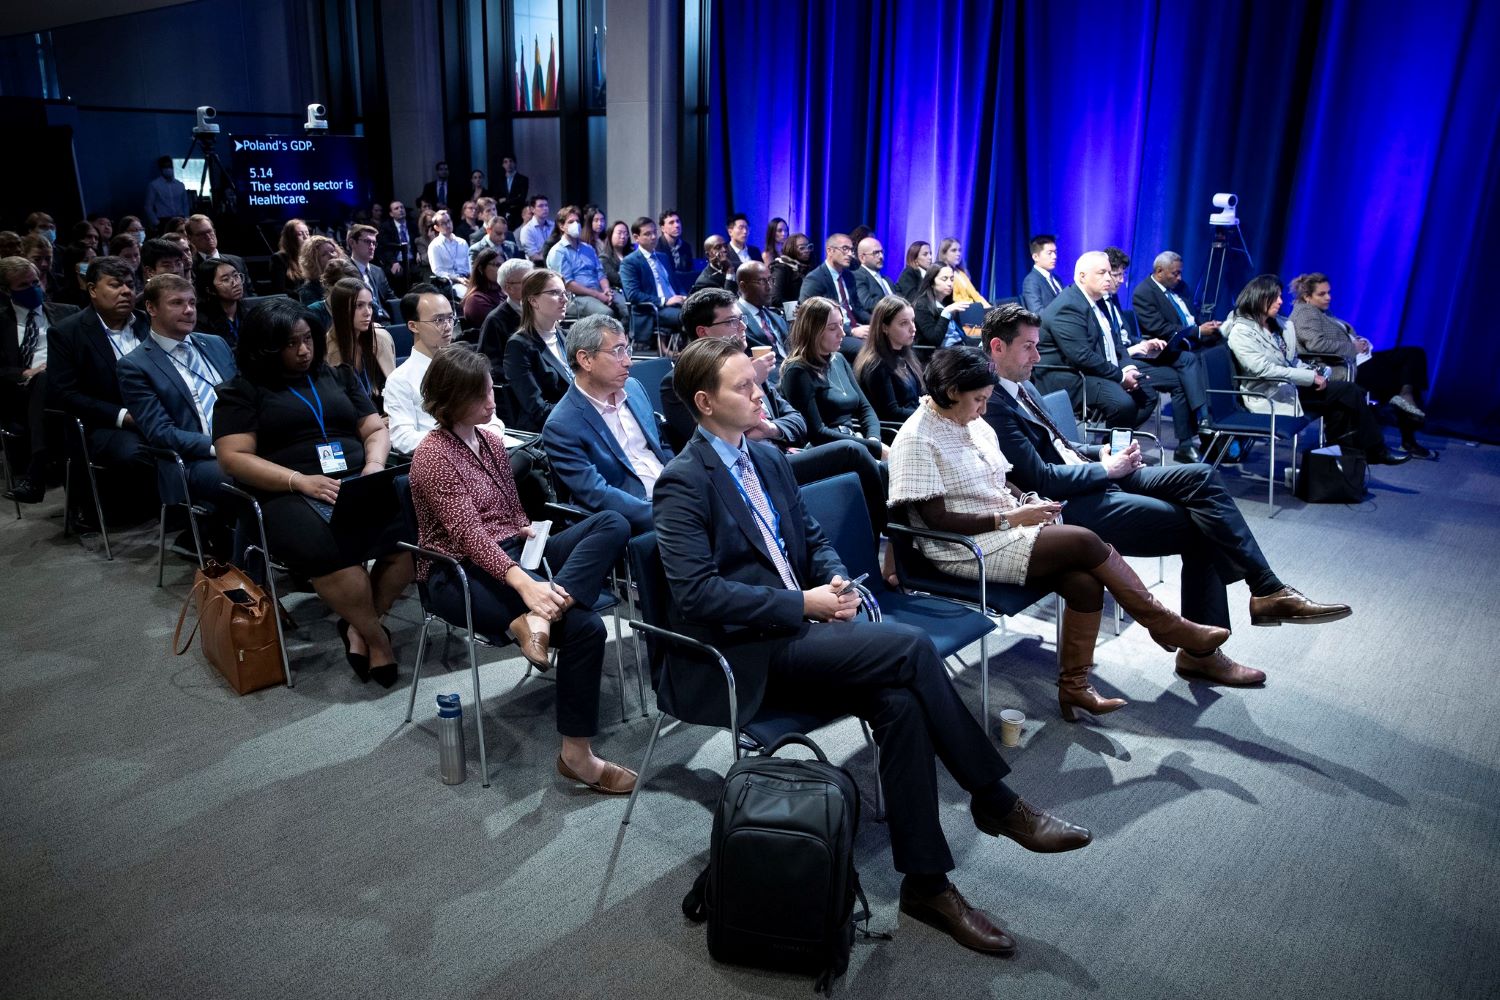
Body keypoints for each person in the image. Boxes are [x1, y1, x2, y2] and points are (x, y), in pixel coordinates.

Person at [655, 335, 1092, 956]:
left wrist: (832, 577)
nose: (759, 394)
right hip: (749, 652)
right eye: (743, 387)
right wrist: (802, 604)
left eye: (757, 382)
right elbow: (697, 596)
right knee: (912, 649)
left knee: (901, 704)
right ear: (704, 402)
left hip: (809, 629)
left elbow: (812, 538)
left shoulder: (769, 459)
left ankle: (926, 884)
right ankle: (996, 801)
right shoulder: (682, 482)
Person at [980, 303, 1352, 687]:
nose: (1038, 356)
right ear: (997, 347)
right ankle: (1208, 648)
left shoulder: (1021, 385)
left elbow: (1061, 443)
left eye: (1037, 345)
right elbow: (1040, 478)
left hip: (1093, 476)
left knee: (1202, 477)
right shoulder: (991, 403)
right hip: (1070, 505)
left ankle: (1266, 589)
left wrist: (1103, 453)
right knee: (1203, 527)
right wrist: (1105, 469)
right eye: (1028, 347)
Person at [890, 346, 1232, 721]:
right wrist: (1014, 518)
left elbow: (1001, 479)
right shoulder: (918, 438)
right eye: (979, 400)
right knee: (1083, 539)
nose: (984, 409)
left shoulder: (971, 421)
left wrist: (1030, 502)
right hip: (961, 546)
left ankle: (1075, 688)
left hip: (1003, 524)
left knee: (1083, 582)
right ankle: (1165, 624)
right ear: (953, 392)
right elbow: (936, 520)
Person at [411, 345, 632, 791]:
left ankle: (541, 615)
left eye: (490, 388)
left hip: (513, 552)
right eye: (479, 396)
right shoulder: (431, 457)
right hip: (456, 571)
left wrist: (526, 530)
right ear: (450, 400)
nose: (492, 401)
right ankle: (578, 755)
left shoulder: (490, 439)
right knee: (587, 629)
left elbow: (510, 513)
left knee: (613, 522)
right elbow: (469, 536)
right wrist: (525, 584)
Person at [215, 297, 413, 686]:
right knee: (331, 550)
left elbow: (375, 430)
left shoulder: (337, 375)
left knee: (412, 537)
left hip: (356, 478)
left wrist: (373, 467)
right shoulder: (242, 391)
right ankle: (377, 639)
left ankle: (358, 627)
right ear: (265, 348)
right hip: (286, 489)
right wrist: (298, 480)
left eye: (307, 339)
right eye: (291, 344)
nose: (303, 350)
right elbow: (233, 457)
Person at [1224, 274, 1409, 465]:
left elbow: (1292, 360)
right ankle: (1374, 451)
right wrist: (1309, 377)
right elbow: (1263, 370)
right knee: (1350, 392)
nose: (1280, 301)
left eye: (1280, 296)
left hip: (1291, 387)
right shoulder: (1241, 332)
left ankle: (1339, 466)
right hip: (1270, 395)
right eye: (1275, 297)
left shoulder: (1279, 325)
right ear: (1259, 298)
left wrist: (1318, 371)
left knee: (1342, 404)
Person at [116, 273, 237, 535]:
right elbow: (161, 433)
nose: (189, 310)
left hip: (243, 443)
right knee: (251, 479)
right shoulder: (134, 365)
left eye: (192, 302)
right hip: (194, 459)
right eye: (177, 303)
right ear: (151, 308)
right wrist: (221, 447)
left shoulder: (215, 344)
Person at [542, 315, 672, 534]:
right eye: (617, 351)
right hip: (639, 515)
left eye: (627, 350)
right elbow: (596, 493)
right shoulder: (561, 425)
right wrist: (663, 516)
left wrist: (686, 483)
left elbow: (660, 445)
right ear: (586, 360)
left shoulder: (634, 388)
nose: (628, 361)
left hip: (674, 494)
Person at [1290, 272, 1432, 458]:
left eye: (1329, 292)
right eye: (1322, 294)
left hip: (1357, 360)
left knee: (1413, 358)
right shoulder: (1305, 312)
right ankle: (1406, 434)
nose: (1328, 297)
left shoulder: (1322, 312)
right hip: (1343, 367)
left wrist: (1358, 341)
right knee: (1405, 370)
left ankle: (1405, 398)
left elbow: (1335, 336)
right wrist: (1352, 347)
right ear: (1307, 297)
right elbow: (1315, 345)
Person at [1098, 247, 1209, 462]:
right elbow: (1103, 346)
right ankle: (1112, 440)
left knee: (1181, 377)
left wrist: (1144, 343)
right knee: (1183, 365)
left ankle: (1186, 443)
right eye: (1116, 275)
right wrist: (1131, 350)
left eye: (1122, 274)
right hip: (1118, 361)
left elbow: (1124, 335)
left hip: (1131, 354)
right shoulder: (1094, 302)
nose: (1121, 281)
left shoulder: (1113, 299)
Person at [44, 257, 151, 472]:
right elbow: (65, 394)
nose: (126, 291)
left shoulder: (149, 322)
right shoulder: (67, 333)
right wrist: (124, 416)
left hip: (159, 414)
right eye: (115, 285)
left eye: (130, 285)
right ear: (92, 290)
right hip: (107, 424)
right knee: (140, 454)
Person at [1036, 251, 1157, 429]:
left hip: (1093, 370)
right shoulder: (1068, 306)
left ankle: (1113, 443)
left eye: (1109, 272)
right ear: (1082, 276)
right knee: (1123, 403)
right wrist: (1122, 377)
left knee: (1148, 395)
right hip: (1070, 377)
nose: (1109, 278)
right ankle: (1113, 451)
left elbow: (1116, 342)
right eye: (1102, 273)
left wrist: (1128, 367)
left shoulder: (1098, 301)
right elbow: (1081, 356)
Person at [386, 285, 503, 455]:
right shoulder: (400, 379)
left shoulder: (465, 365)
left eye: (450, 318)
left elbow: (493, 420)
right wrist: (461, 441)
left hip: (485, 449)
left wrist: (483, 440)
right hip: (441, 458)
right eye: (438, 320)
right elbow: (403, 439)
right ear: (413, 326)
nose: (448, 327)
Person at [0, 256, 79, 503]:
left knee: (47, 378)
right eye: (24, 286)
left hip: (65, 387)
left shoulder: (69, 313)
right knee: (42, 379)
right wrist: (24, 373)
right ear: (6, 290)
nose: (34, 289)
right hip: (19, 394)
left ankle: (37, 473)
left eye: (36, 282)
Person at [778, 296, 885, 460]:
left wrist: (873, 439)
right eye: (833, 328)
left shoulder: (838, 359)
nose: (842, 333)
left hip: (855, 443)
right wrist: (870, 447)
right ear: (813, 331)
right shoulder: (797, 372)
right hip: (827, 451)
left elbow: (865, 409)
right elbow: (817, 433)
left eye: (841, 324)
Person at [502, 268, 574, 431]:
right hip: (548, 429)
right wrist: (583, 412)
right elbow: (537, 410)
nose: (564, 300)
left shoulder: (567, 337)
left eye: (565, 293)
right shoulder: (518, 346)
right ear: (533, 301)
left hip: (576, 420)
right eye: (555, 293)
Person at [324, 277, 396, 412]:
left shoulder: (381, 338)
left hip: (387, 417)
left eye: (370, 305)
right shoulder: (326, 348)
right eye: (359, 305)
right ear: (341, 309)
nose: (368, 312)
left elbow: (396, 391)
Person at [546, 205, 627, 323]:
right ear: (562, 226)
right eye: (571, 222)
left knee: (628, 308)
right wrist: (597, 295)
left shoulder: (588, 249)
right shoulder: (558, 252)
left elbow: (600, 273)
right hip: (575, 297)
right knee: (607, 313)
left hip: (598, 290)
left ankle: (627, 340)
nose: (576, 225)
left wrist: (606, 290)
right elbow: (568, 284)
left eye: (577, 221)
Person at [854, 295, 924, 422]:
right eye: (904, 323)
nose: (913, 328)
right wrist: (929, 415)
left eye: (912, 321)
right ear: (884, 327)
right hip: (896, 431)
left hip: (914, 422)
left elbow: (917, 398)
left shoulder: (906, 355)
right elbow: (890, 413)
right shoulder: (876, 364)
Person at [618, 216, 686, 342]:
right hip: (652, 309)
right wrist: (664, 301)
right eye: (648, 234)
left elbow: (676, 284)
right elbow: (633, 295)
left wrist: (684, 296)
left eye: (654, 232)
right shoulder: (629, 262)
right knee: (690, 316)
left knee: (702, 311)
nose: (654, 237)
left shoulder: (663, 257)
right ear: (636, 237)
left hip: (675, 304)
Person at [799, 233, 871, 348]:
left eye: (851, 250)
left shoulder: (849, 276)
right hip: (831, 334)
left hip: (854, 327)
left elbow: (857, 308)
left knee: (889, 337)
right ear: (830, 251)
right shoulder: (815, 278)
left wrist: (877, 322)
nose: (850, 254)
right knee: (869, 349)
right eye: (845, 249)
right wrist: (851, 331)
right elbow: (812, 317)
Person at [476, 258, 533, 373]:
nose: (534, 285)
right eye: (527, 281)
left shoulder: (541, 309)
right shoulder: (495, 321)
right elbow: (491, 365)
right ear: (509, 287)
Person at [734, 261, 789, 366]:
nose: (769, 287)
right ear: (743, 286)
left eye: (770, 280)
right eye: (762, 281)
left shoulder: (776, 317)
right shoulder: (735, 320)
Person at [911, 264, 969, 349]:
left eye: (952, 279)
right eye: (944, 279)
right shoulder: (921, 305)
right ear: (932, 282)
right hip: (940, 354)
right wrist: (946, 313)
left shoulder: (948, 303)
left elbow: (959, 334)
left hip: (959, 348)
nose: (950, 283)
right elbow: (934, 340)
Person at [346, 224, 396, 323]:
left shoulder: (377, 271)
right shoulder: (345, 272)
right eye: (367, 241)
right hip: (363, 323)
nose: (372, 246)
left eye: (374, 243)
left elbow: (391, 298)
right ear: (352, 243)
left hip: (385, 321)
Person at [184, 215, 250, 287]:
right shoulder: (189, 267)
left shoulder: (237, 261)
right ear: (190, 239)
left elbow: (250, 293)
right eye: (201, 234)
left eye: (209, 231)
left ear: (214, 232)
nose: (208, 237)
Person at [193, 258, 245, 347]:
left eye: (236, 275)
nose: (236, 283)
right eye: (225, 279)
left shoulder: (249, 312)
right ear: (210, 290)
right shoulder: (200, 321)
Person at [425, 210, 470, 298]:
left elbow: (469, 264)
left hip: (467, 278)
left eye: (448, 221)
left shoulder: (462, 242)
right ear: (436, 228)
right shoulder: (434, 246)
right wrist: (457, 278)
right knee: (468, 294)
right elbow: (438, 271)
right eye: (443, 223)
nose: (448, 225)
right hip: (450, 283)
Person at [936, 238, 989, 307]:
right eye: (954, 250)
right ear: (944, 253)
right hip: (959, 311)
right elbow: (951, 299)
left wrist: (989, 309)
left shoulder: (961, 273)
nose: (958, 254)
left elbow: (975, 295)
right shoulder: (941, 274)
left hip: (972, 308)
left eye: (959, 250)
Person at [462, 248, 505, 332]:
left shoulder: (503, 292)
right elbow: (499, 327)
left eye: (502, 265)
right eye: (496, 265)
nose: (501, 269)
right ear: (481, 269)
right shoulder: (476, 300)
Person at [852, 237, 896, 317]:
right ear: (862, 258)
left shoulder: (887, 279)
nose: (881, 256)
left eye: (882, 252)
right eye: (876, 253)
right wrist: (895, 308)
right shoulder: (857, 276)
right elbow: (867, 303)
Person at [376, 201, 415, 289]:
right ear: (391, 214)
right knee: (397, 273)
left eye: (402, 207)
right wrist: (393, 262)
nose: (400, 210)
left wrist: (418, 253)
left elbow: (416, 242)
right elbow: (385, 247)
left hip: (412, 259)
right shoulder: (385, 227)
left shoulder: (412, 224)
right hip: (396, 260)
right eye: (396, 208)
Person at [1020, 234, 1062, 315]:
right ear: (1035, 257)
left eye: (1055, 252)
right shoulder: (1031, 281)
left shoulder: (1056, 279)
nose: (1054, 256)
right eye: (1049, 253)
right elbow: (1037, 312)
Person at [143, 156, 190, 228]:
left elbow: (185, 204)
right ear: (161, 169)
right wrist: (156, 223)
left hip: (180, 219)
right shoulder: (154, 185)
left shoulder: (180, 185)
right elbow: (148, 206)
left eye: (169, 166)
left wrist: (186, 219)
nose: (168, 169)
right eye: (165, 167)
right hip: (163, 220)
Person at [768, 232, 813, 307]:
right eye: (802, 248)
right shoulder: (781, 267)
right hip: (788, 315)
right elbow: (775, 299)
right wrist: (800, 307)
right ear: (791, 249)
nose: (807, 250)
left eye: (809, 247)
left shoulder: (810, 267)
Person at [296, 235, 343, 306]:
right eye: (324, 254)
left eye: (333, 251)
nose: (332, 255)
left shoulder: (347, 277)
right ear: (313, 262)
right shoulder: (308, 292)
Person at [270, 219, 310, 296]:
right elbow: (279, 290)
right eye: (300, 234)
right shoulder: (279, 258)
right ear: (290, 237)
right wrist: (303, 295)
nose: (306, 237)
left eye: (307, 233)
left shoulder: (310, 256)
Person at [598, 219, 631, 293]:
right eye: (619, 233)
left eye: (626, 233)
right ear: (610, 235)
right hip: (617, 292)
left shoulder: (632, 255)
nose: (623, 237)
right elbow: (617, 280)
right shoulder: (604, 258)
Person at [657, 209, 694, 276]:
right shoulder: (656, 247)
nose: (677, 225)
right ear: (663, 228)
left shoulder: (686, 246)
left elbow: (689, 271)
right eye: (671, 223)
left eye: (678, 221)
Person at [497, 155, 530, 229]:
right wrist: (513, 199)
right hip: (503, 214)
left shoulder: (523, 179)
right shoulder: (499, 181)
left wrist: (505, 200)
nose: (508, 164)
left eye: (510, 161)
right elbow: (497, 199)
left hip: (518, 213)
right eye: (506, 162)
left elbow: (521, 198)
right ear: (503, 165)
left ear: (515, 163)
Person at [516, 194, 551, 260]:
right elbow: (533, 256)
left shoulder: (554, 226)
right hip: (537, 267)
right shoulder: (527, 230)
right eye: (541, 206)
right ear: (532, 209)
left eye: (546, 205)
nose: (545, 208)